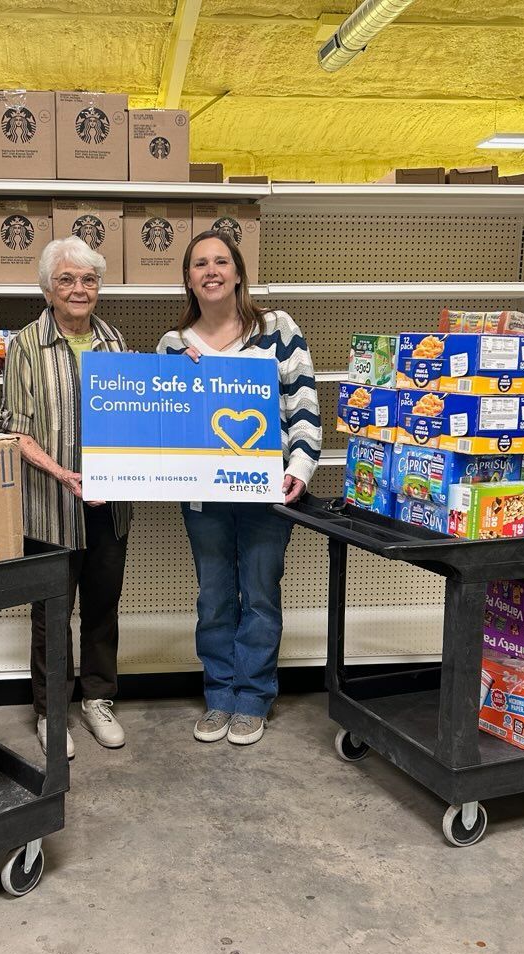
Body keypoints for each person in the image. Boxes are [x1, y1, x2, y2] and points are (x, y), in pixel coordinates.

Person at [157, 230, 320, 746]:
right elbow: (163, 426)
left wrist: (301, 466)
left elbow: (303, 404)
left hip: (266, 491)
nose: (211, 270)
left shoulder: (277, 329)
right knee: (214, 597)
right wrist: (175, 381)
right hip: (204, 497)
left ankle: (252, 698)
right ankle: (220, 694)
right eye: (200, 263)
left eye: (221, 261)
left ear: (237, 272)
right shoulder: (172, 345)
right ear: (188, 278)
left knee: (261, 595)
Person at [0, 237, 132, 759]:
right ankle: (52, 711)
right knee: (51, 614)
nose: (79, 289)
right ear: (48, 289)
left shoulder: (116, 342)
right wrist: (66, 475)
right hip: (52, 505)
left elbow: (134, 421)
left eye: (89, 279)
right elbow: (15, 431)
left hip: (111, 506)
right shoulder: (26, 345)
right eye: (67, 280)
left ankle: (99, 700)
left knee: (103, 608)